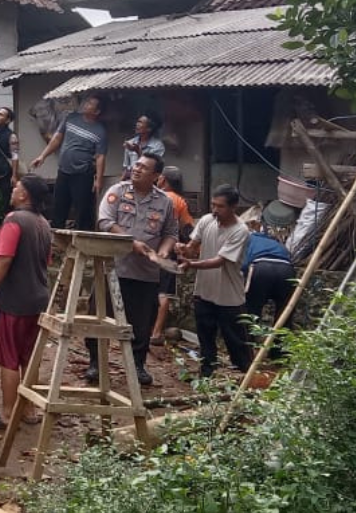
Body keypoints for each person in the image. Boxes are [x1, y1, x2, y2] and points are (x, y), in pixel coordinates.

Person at [89, 152, 178, 386]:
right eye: (136, 165)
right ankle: (96, 363)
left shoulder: (165, 202)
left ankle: (137, 365)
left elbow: (170, 234)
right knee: (100, 317)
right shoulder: (117, 192)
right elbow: (104, 221)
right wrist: (130, 241)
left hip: (145, 274)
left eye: (144, 167)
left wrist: (164, 252)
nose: (136, 169)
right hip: (112, 267)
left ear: (157, 175)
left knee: (140, 322)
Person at [0, 175, 53, 429]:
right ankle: (28, 410)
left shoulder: (14, 220)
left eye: (17, 186)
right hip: (39, 299)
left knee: (9, 359)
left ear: (24, 195)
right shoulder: (44, 224)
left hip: (15, 301)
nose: (13, 188)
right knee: (29, 357)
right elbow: (46, 262)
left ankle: (8, 415)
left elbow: (4, 260)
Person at [177, 184, 252, 378]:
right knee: (205, 337)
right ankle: (207, 375)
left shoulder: (240, 230)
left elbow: (220, 261)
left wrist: (191, 264)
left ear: (233, 207)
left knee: (236, 341)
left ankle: (245, 377)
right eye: (213, 205)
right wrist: (183, 250)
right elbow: (193, 246)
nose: (215, 210)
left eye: (220, 206)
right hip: (204, 291)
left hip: (229, 296)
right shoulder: (207, 220)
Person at [31, 94, 107, 231]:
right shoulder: (71, 118)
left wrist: (99, 180)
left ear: (97, 112)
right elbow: (57, 138)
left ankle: (82, 238)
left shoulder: (100, 131)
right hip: (64, 170)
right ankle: (55, 236)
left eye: (90, 103)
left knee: (82, 208)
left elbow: (101, 156)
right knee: (59, 204)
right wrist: (42, 156)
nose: (85, 104)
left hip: (83, 174)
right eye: (87, 101)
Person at [150, 165, 195, 345]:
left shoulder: (154, 196)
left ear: (163, 180)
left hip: (148, 249)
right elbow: (188, 228)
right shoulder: (180, 201)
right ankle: (156, 332)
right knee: (164, 292)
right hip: (168, 251)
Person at [241, 215, 296, 358]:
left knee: (252, 310)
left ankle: (248, 350)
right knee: (284, 313)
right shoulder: (274, 242)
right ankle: (279, 353)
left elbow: (244, 264)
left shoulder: (246, 240)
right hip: (286, 269)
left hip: (261, 267)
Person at [122, 111, 165, 177]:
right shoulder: (130, 142)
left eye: (140, 122)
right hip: (131, 181)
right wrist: (121, 183)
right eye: (138, 121)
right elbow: (126, 168)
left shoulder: (158, 146)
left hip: (147, 182)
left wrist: (138, 151)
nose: (137, 124)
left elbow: (151, 167)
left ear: (149, 128)